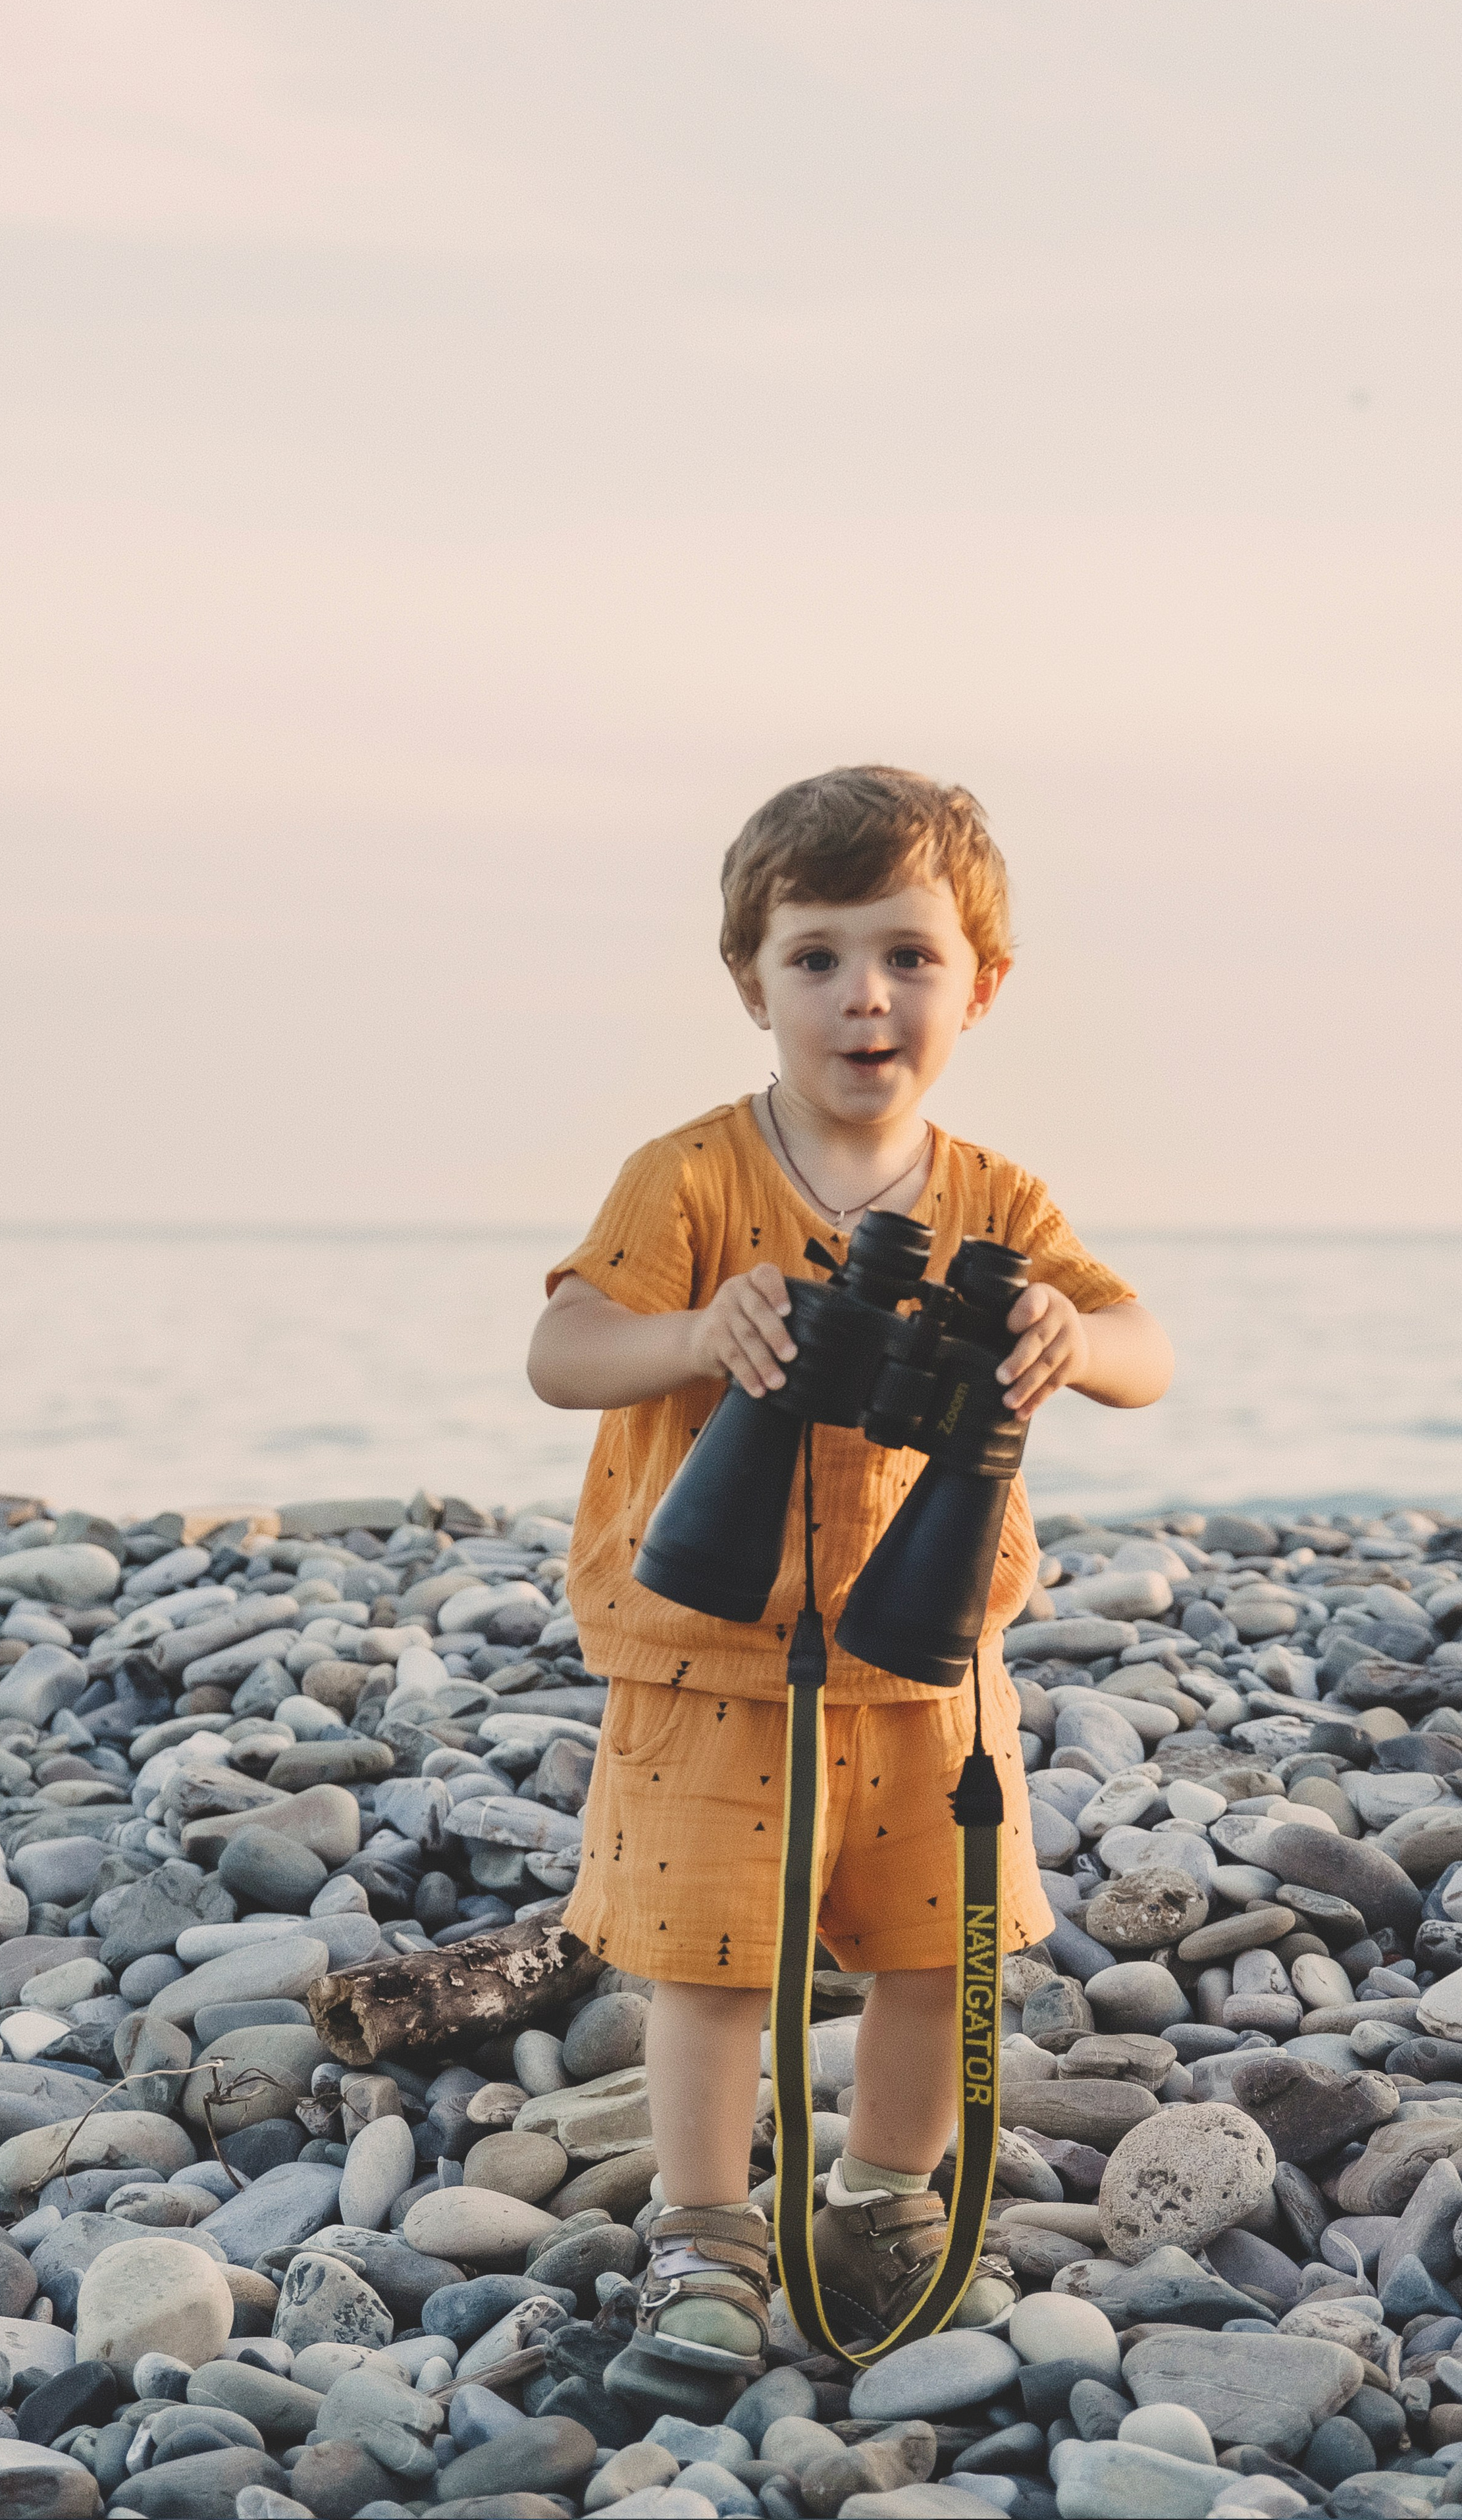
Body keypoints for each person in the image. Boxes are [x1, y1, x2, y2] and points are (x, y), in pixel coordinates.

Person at [527, 765, 1172, 2379]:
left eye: (906, 955)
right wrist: (703, 1334)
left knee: (936, 1952)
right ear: (749, 982)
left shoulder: (996, 1201)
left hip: (925, 1660)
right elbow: (562, 1350)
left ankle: (880, 2200)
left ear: (981, 985)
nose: (861, 995)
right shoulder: (688, 1177)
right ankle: (701, 2234)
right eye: (813, 957)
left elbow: (1144, 1351)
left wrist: (1065, 1334)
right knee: (709, 1966)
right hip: (707, 1657)